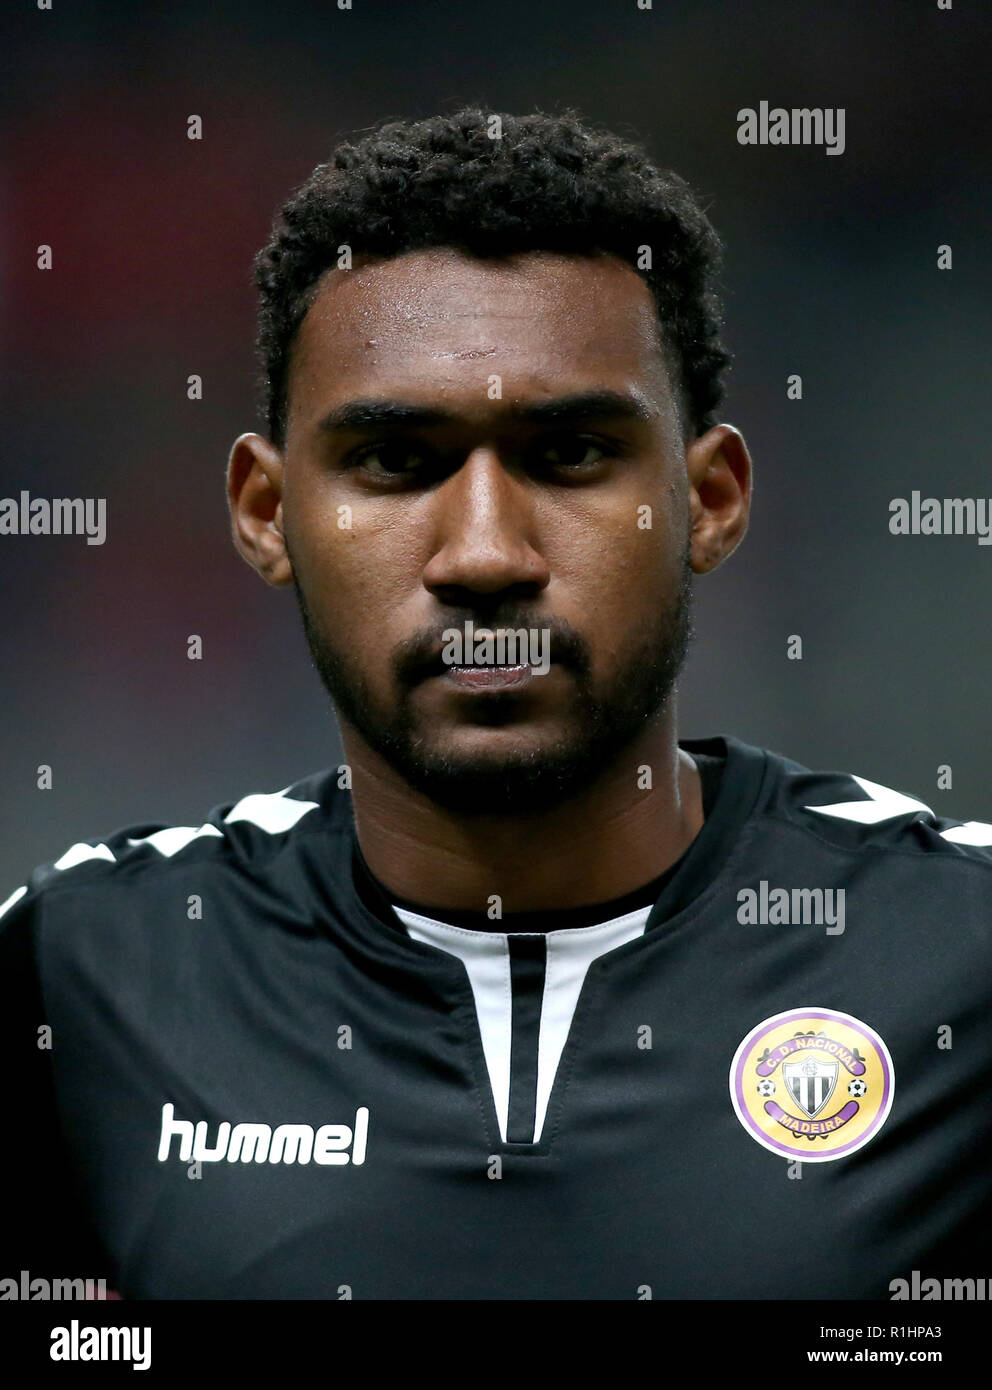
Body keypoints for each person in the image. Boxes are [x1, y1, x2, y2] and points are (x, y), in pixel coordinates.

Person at [2, 108, 989, 1300]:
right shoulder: (85, 970)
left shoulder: (958, 956)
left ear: (710, 500)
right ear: (268, 513)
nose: (482, 553)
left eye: (569, 454)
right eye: (394, 461)